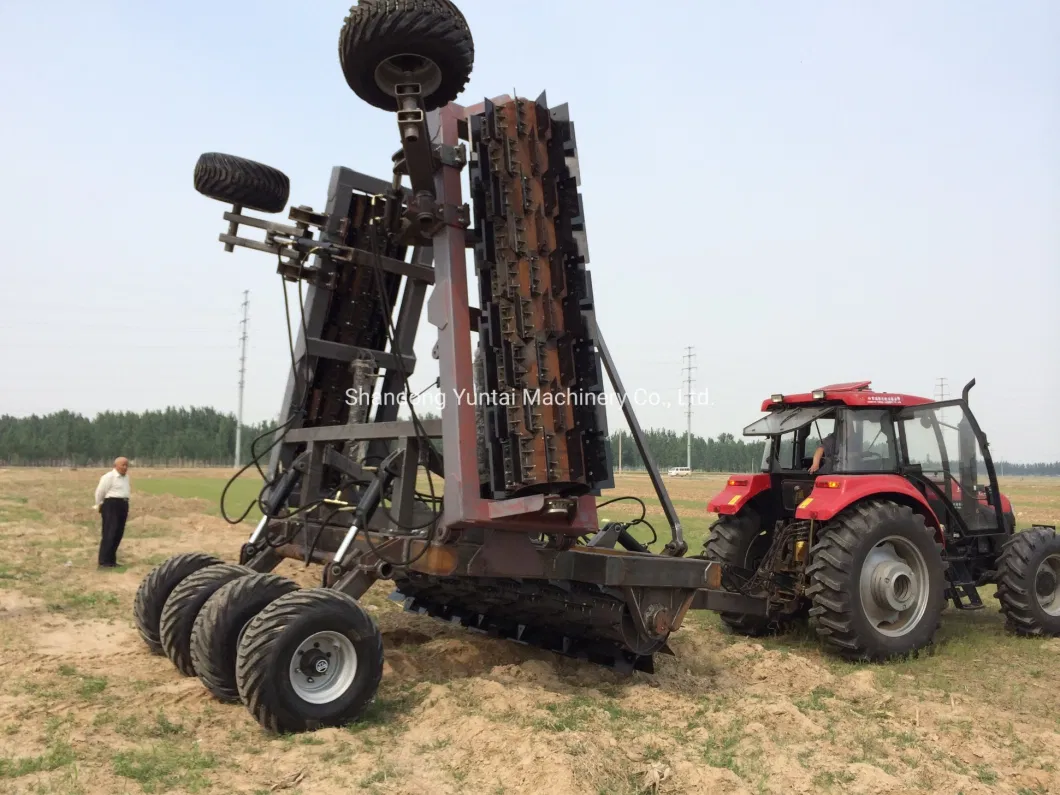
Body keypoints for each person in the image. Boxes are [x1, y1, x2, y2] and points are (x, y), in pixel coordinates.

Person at [94, 457, 130, 568]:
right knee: (110, 532)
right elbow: (100, 492)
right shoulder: (108, 477)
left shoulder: (126, 478)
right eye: (122, 465)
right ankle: (104, 561)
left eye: (126, 465)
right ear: (115, 466)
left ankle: (111, 560)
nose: (125, 467)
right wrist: (99, 504)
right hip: (111, 504)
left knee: (118, 533)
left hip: (123, 504)